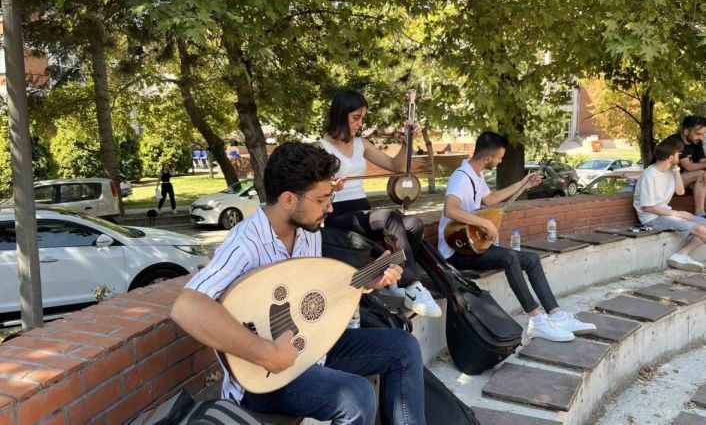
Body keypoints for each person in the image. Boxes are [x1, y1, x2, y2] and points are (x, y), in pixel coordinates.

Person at [171, 142, 426, 425]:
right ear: (289, 199)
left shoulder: (308, 231)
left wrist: (368, 282)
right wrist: (268, 354)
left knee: (404, 347)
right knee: (356, 396)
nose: (329, 208)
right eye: (321, 200)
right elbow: (187, 306)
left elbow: (312, 296)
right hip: (262, 380)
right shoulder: (246, 243)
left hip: (311, 349)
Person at [438, 131, 596, 342]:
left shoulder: (476, 175)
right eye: (500, 158)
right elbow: (451, 209)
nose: (501, 161)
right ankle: (536, 320)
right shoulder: (461, 177)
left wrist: (524, 183)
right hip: (454, 251)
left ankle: (556, 314)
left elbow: (491, 198)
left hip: (472, 244)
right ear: (488, 158)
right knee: (509, 257)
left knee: (531, 259)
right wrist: (484, 223)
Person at [318, 89, 441, 318]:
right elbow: (312, 191)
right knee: (389, 216)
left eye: (362, 118)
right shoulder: (320, 148)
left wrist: (407, 142)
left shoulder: (361, 144)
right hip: (338, 216)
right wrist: (330, 187)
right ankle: (411, 284)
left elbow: (396, 166)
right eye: (356, 118)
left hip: (362, 210)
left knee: (413, 224)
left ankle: (396, 279)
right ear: (340, 115)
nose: (360, 123)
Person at [635, 136, 706, 272]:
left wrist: (676, 171)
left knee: (704, 224)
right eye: (678, 154)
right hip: (652, 219)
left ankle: (681, 255)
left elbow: (679, 192)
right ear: (671, 157)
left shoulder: (669, 171)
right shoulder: (649, 175)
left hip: (666, 214)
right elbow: (648, 207)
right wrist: (677, 213)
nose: (681, 156)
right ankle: (680, 255)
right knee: (701, 230)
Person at [669, 115, 706, 217]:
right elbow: (688, 167)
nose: (701, 137)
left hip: (680, 179)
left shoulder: (696, 142)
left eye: (703, 134)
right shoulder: (675, 142)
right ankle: (700, 213)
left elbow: (702, 162)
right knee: (701, 174)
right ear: (686, 131)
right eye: (698, 134)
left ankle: (700, 213)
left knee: (703, 174)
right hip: (665, 181)